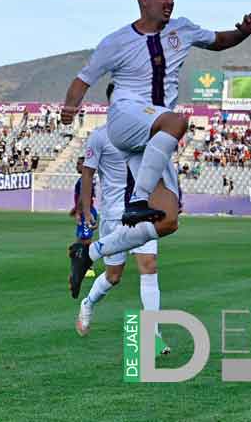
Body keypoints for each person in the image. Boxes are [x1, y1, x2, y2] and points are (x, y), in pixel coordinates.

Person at [61, 0, 251, 296]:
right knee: (177, 121)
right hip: (126, 118)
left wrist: (243, 32)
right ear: (144, 0)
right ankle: (137, 200)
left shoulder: (181, 29)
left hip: (152, 135)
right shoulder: (116, 41)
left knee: (168, 221)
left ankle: (89, 253)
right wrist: (69, 109)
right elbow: (83, 79)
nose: (170, 2)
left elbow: (218, 40)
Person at [74, 84, 170, 355]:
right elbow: (88, 175)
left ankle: (153, 334)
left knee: (149, 266)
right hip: (114, 216)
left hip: (142, 212)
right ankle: (89, 303)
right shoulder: (100, 136)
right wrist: (85, 210)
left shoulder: (148, 135)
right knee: (114, 276)